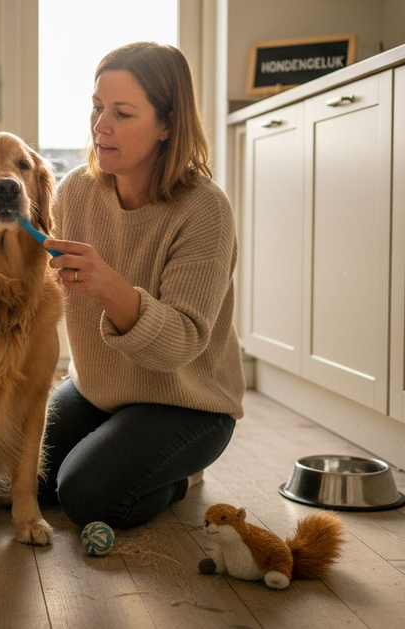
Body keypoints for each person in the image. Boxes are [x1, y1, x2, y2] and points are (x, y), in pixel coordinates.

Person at [38, 41, 245, 529]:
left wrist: (112, 288)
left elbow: (180, 347)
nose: (100, 126)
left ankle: (179, 477)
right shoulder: (75, 192)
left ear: (167, 125)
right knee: (15, 478)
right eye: (97, 107)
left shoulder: (204, 210)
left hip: (188, 402)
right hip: (97, 390)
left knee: (86, 495)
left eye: (122, 113)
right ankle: (123, 446)